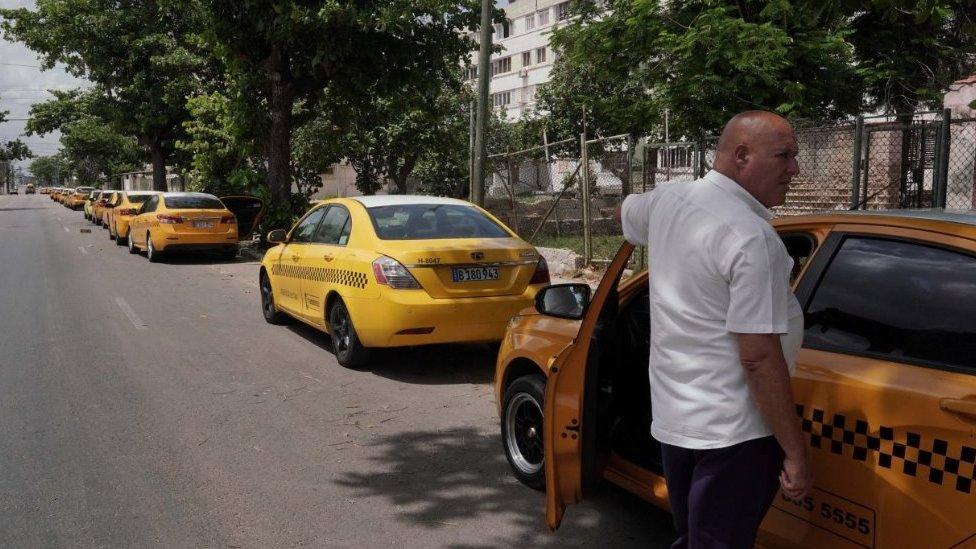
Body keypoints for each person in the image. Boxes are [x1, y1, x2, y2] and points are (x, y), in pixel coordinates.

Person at [618, 111, 812, 548]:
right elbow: (758, 357)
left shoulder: (669, 200)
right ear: (741, 156)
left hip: (677, 421)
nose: (794, 170)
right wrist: (796, 453)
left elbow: (626, 212)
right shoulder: (751, 238)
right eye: (784, 155)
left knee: (695, 536)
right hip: (736, 434)